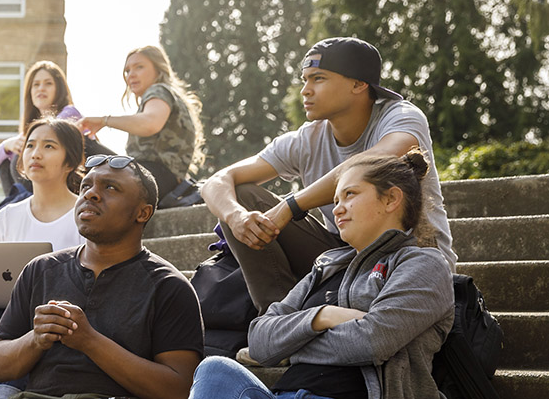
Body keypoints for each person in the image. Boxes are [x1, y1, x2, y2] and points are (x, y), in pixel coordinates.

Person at [201, 36, 455, 312]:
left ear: (359, 83)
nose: (305, 91)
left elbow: (378, 160)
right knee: (241, 195)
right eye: (304, 79)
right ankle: (276, 320)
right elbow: (216, 182)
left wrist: (291, 205)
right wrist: (236, 217)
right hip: (343, 257)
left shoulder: (401, 117)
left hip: (408, 257)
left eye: (318, 79)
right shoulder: (306, 139)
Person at [189, 148, 454, 399]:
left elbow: (372, 342)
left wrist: (290, 345)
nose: (337, 208)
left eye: (350, 194)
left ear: (391, 199)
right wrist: (324, 317)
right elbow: (259, 340)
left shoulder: (423, 264)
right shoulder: (327, 265)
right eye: (336, 199)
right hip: (284, 394)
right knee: (214, 370)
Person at [0, 155, 204, 399]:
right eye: (85, 186)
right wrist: (35, 339)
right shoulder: (40, 269)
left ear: (143, 213)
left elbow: (179, 389)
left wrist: (90, 341)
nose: (91, 194)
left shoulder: (169, 286)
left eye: (111, 187)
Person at [0, 117, 87, 399]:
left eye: (48, 146)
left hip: (57, 321)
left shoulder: (84, 217)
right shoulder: (8, 215)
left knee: (26, 317)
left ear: (70, 162)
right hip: (3, 317)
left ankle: (6, 394)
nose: (36, 153)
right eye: (30, 145)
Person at [79, 45, 205, 203]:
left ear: (158, 69)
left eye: (139, 67)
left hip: (156, 176)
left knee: (79, 143)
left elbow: (150, 123)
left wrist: (104, 120)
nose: (131, 75)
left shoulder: (159, 90)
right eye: (127, 71)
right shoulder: (165, 96)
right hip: (158, 176)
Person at [0, 60, 111, 196]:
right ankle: (16, 203)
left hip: (78, 179)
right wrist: (7, 145)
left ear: (58, 89)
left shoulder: (70, 113)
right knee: (6, 162)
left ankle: (27, 202)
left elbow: (51, 132)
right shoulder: (32, 128)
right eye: (36, 84)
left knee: (21, 155)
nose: (41, 88)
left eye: (48, 83)